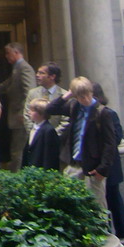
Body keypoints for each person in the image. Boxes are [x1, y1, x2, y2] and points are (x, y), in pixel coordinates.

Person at [46, 76, 116, 209]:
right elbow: (50, 109)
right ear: (76, 96)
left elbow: (110, 143)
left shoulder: (102, 112)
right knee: (72, 205)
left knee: (97, 207)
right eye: (81, 97)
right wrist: (67, 95)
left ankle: (100, 230)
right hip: (74, 163)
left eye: (88, 95)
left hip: (93, 167)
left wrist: (103, 169)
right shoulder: (73, 106)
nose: (86, 99)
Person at [92, 82, 124, 244]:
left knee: (113, 199)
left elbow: (116, 138)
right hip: (100, 164)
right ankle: (111, 230)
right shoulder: (90, 113)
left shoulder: (109, 114)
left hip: (109, 165)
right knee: (106, 199)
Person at [0, 42, 36, 171]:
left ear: (17, 52)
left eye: (8, 53)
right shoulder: (16, 69)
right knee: (16, 150)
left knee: (18, 151)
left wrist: (23, 113)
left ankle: (16, 179)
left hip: (21, 118)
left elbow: (29, 92)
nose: (6, 56)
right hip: (17, 118)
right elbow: (5, 85)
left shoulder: (25, 68)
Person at [23, 62, 66, 135]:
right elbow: (27, 116)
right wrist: (34, 133)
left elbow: (65, 121)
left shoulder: (63, 95)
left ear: (52, 76)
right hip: (35, 138)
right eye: (37, 72)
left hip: (56, 139)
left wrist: (52, 135)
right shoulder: (32, 93)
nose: (37, 75)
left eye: (41, 73)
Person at [22, 98, 60, 170]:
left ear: (41, 113)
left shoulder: (49, 131)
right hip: (30, 168)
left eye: (32, 110)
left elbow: (49, 156)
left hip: (40, 169)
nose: (29, 112)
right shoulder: (33, 127)